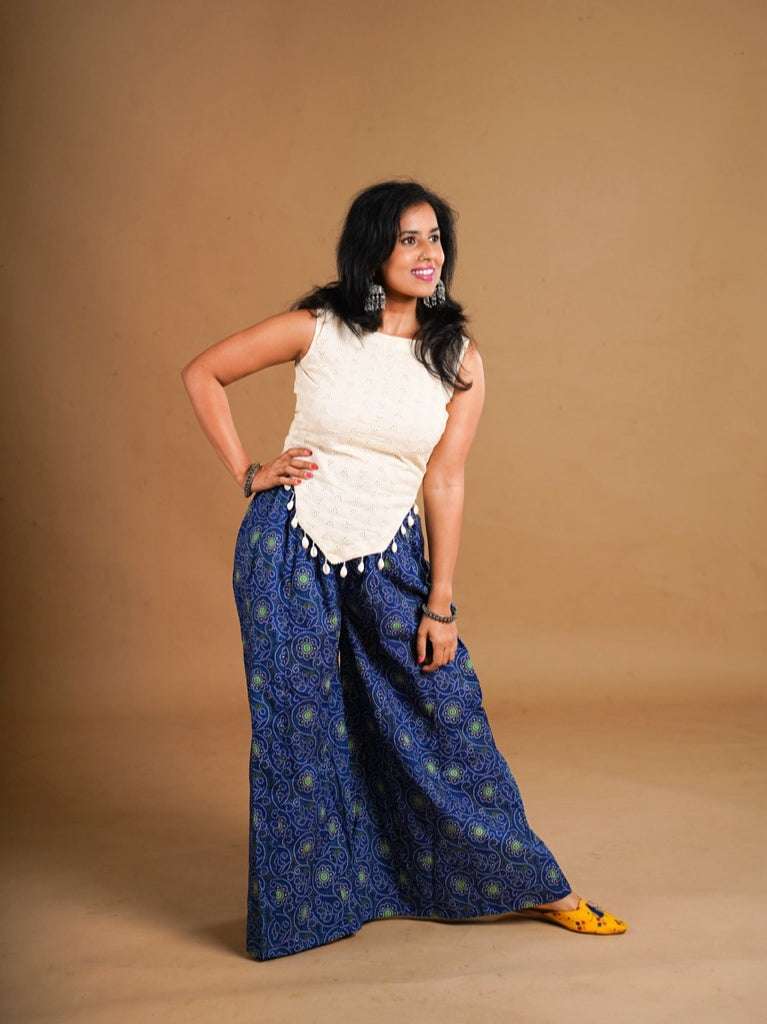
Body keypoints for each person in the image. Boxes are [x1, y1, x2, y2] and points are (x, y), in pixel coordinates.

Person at [182, 180, 627, 961]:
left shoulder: (456, 357)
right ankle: (310, 910)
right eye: (408, 239)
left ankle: (536, 884)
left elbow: (444, 481)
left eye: (435, 237)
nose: (428, 253)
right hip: (287, 549)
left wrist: (440, 602)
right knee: (298, 729)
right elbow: (203, 373)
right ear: (372, 251)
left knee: (439, 713)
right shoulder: (315, 328)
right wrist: (248, 471)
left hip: (389, 553)